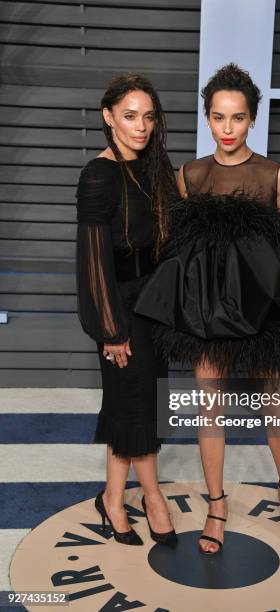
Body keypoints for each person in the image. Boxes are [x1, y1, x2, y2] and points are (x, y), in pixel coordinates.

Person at [134, 64, 280, 553]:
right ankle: (216, 505)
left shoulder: (274, 174)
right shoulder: (190, 175)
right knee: (210, 406)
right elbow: (181, 245)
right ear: (208, 118)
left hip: (263, 306)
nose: (227, 129)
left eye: (237, 118)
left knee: (274, 402)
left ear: (253, 119)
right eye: (218, 117)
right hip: (209, 308)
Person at [76, 73, 177, 547]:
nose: (141, 126)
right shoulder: (98, 174)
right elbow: (94, 261)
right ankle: (151, 496)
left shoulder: (154, 168)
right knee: (134, 404)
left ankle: (113, 497)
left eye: (148, 117)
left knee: (139, 404)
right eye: (130, 116)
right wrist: (111, 330)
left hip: (155, 304)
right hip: (118, 308)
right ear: (108, 116)